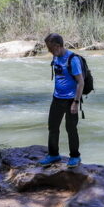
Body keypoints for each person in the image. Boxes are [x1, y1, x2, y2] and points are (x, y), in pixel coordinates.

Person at [39, 32, 84, 167]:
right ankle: (53, 154)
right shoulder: (56, 56)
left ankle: (75, 157)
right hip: (57, 98)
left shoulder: (72, 60)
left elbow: (80, 82)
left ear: (58, 46)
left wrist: (76, 103)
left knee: (71, 129)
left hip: (71, 100)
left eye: (51, 48)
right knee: (52, 127)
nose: (49, 51)